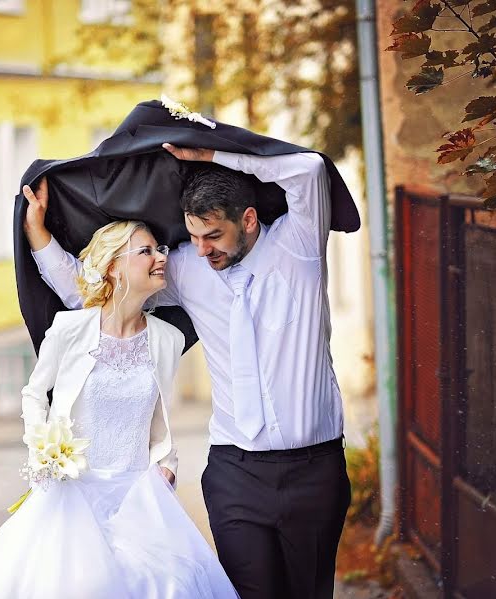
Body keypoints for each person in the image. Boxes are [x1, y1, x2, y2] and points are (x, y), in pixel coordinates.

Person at [23, 144, 352, 599]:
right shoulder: (187, 268)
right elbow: (97, 293)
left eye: (213, 236)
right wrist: (39, 236)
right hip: (235, 471)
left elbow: (310, 168)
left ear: (249, 220)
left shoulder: (299, 247)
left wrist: (214, 152)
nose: (200, 250)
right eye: (193, 236)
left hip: (314, 470)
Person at [0, 220, 239, 599]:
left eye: (161, 250)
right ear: (113, 266)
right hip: (71, 495)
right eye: (146, 251)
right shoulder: (69, 329)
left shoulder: (168, 340)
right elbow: (34, 394)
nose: (160, 259)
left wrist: (168, 465)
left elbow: (160, 419)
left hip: (140, 498)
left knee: (167, 584)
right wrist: (42, 451)